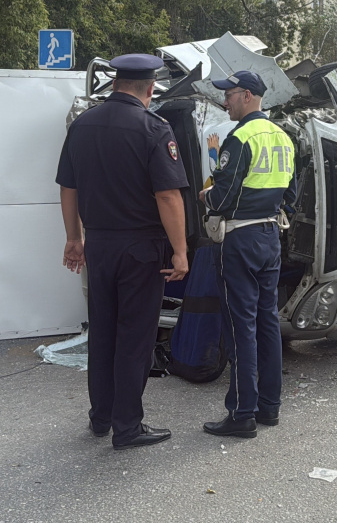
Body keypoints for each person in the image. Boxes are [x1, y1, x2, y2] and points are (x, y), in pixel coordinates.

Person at [55, 53, 189, 450]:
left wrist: (74, 238)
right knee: (134, 335)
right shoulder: (154, 128)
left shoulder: (82, 125)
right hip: (140, 249)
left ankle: (101, 418)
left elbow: (68, 187)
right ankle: (127, 426)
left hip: (99, 245)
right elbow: (168, 196)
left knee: (102, 331)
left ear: (114, 84)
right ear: (150, 89)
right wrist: (180, 251)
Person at [198, 70, 296, 438]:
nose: (225, 101)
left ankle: (242, 414)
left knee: (242, 326)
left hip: (239, 239)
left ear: (248, 96)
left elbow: (222, 197)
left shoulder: (240, 138)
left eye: (230, 94)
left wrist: (207, 196)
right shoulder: (283, 137)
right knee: (267, 322)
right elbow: (291, 195)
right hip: (270, 237)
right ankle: (269, 407)